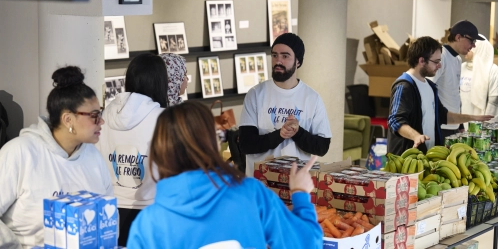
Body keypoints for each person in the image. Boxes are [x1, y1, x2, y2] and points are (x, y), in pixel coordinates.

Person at [126, 101, 323, 249]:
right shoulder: (251, 194)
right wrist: (300, 194)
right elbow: (306, 243)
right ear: (211, 141)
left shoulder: (148, 225)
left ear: (160, 148)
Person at [0, 66, 113, 248]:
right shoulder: (20, 153)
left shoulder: (93, 156)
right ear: (68, 119)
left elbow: (106, 214)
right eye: (94, 115)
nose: (102, 121)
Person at [97, 53, 187, 246]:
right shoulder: (164, 118)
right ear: (161, 81)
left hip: (108, 210)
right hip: (152, 209)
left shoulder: (105, 115)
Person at [239, 33, 332, 176]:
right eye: (274, 55)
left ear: (298, 62)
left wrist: (298, 132)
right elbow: (246, 144)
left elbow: (322, 147)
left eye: (285, 56)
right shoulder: (255, 94)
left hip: (297, 184)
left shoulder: (312, 98)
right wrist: (280, 135)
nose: (278, 61)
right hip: (260, 185)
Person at [388, 36, 493, 155]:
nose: (439, 65)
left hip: (426, 156)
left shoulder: (430, 87)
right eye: (436, 62)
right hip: (405, 158)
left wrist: (472, 118)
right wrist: (416, 136)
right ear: (422, 61)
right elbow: (395, 121)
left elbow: (444, 116)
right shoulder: (404, 86)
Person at [428, 20, 485, 138]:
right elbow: (429, 88)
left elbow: (455, 93)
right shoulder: (441, 56)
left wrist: (460, 124)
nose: (474, 45)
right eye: (472, 41)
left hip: (453, 125)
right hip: (440, 125)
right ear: (458, 37)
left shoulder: (457, 59)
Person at [460, 35, 498, 124]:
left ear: (479, 48)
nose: (467, 48)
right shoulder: (462, 67)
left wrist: (485, 126)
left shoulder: (493, 70)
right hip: (461, 123)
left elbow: (494, 100)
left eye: (471, 45)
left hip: (481, 127)